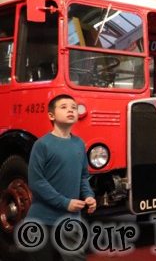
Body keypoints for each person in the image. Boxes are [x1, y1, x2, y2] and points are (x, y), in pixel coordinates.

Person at [26, 94, 96, 260]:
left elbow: (83, 177)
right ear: (51, 115)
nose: (70, 110)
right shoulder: (42, 145)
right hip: (42, 221)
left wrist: (89, 196)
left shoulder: (79, 144)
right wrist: (65, 203)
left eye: (73, 107)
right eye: (64, 107)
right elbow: (36, 182)